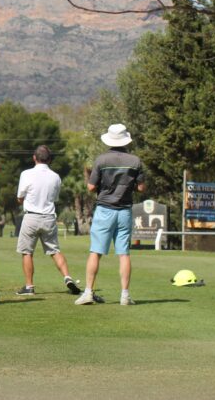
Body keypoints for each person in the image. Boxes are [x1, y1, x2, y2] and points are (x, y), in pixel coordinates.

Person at [75, 124, 145, 306]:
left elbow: (91, 187)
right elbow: (141, 187)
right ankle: (125, 295)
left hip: (105, 209)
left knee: (96, 252)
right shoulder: (135, 161)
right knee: (124, 254)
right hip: (125, 210)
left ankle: (89, 292)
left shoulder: (101, 160)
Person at [15, 145, 81, 296]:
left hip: (31, 217)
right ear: (49, 159)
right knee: (54, 251)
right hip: (49, 218)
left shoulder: (26, 174)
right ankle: (67, 277)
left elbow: (20, 197)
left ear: (34, 157)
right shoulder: (55, 176)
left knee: (27, 252)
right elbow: (54, 198)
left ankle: (29, 287)